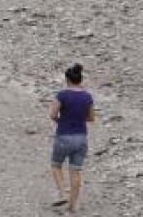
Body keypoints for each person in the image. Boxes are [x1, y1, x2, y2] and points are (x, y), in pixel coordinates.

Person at [49, 63, 95, 212]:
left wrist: (60, 120)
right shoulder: (87, 97)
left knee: (56, 165)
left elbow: (52, 114)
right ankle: (73, 205)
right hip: (81, 137)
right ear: (80, 79)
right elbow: (91, 117)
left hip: (64, 135)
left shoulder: (62, 95)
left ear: (67, 79)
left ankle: (63, 193)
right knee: (75, 171)